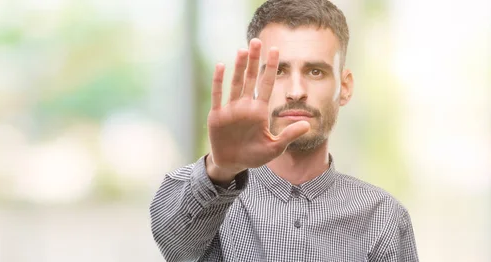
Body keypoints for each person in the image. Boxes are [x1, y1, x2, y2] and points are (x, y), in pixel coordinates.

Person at [149, 0, 418, 261]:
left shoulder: (383, 218)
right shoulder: (204, 193)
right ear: (253, 82)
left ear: (344, 87)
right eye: (278, 71)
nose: (296, 92)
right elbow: (177, 249)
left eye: (315, 71)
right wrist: (221, 170)